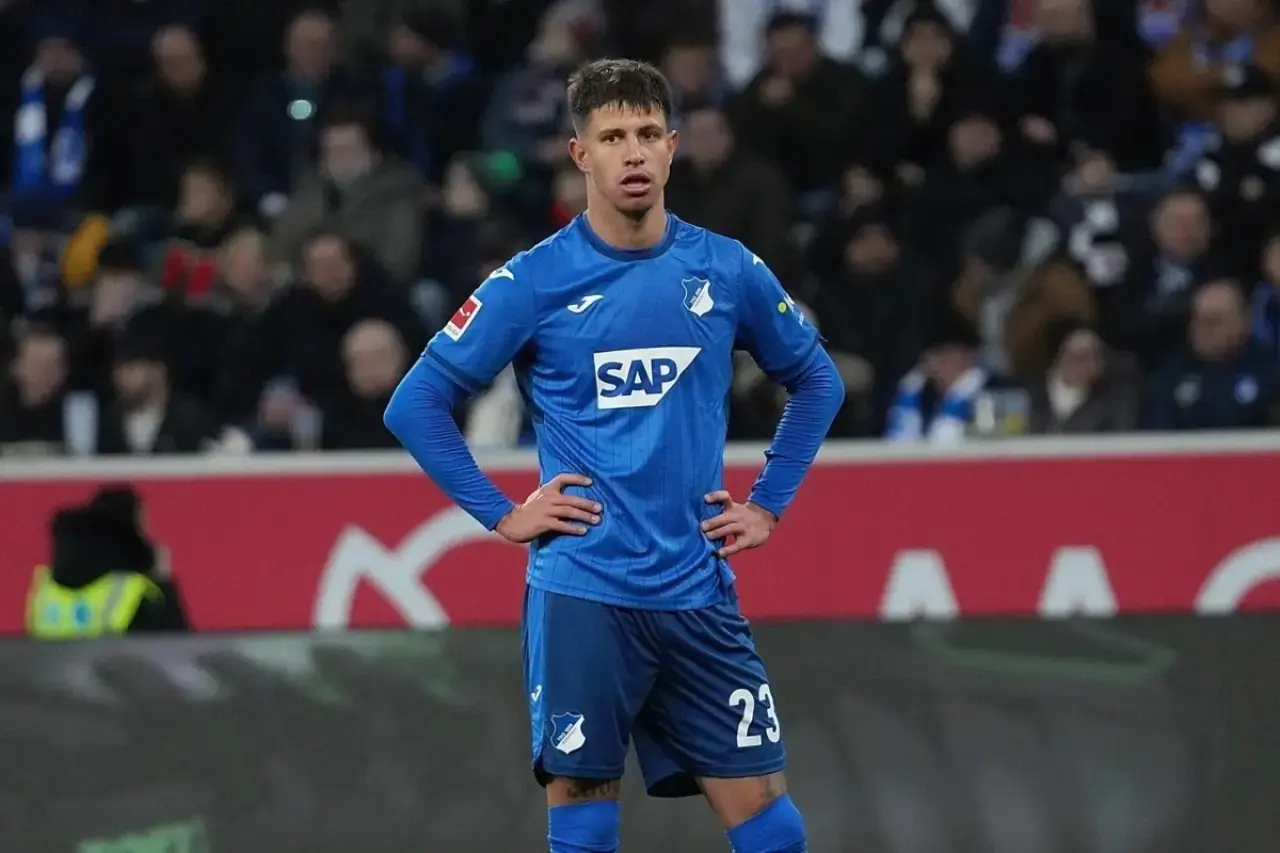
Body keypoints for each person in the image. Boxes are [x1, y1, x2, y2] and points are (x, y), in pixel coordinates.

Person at [384, 59, 843, 853]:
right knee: (586, 820)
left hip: (697, 588)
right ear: (580, 154)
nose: (632, 152)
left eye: (646, 134)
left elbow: (817, 379)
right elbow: (414, 402)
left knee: (770, 821)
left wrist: (769, 503)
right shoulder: (532, 281)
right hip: (585, 593)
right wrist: (502, 512)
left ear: (671, 148)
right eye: (611, 137)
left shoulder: (726, 267)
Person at [26, 485, 190, 638]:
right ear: (130, 533)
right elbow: (175, 647)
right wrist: (163, 582)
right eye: (143, 527)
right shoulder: (133, 591)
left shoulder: (46, 587)